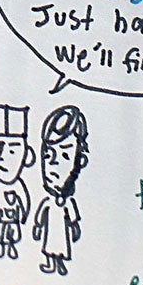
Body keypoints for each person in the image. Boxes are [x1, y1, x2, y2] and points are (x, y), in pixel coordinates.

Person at [33, 106, 90, 275]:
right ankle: (52, 264)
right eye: (48, 155)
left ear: (80, 160)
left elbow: (73, 217)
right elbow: (40, 215)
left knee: (60, 246)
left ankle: (60, 264)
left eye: (65, 156)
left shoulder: (68, 202)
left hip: (61, 232)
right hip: (51, 232)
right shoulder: (48, 201)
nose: (53, 164)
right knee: (50, 246)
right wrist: (37, 226)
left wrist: (74, 227)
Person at [0, 104, 32, 259]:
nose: (0, 157)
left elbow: (24, 199)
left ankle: (10, 249)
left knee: (9, 234)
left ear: (27, 156)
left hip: (11, 216)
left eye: (11, 151)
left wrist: (24, 215)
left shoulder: (17, 184)